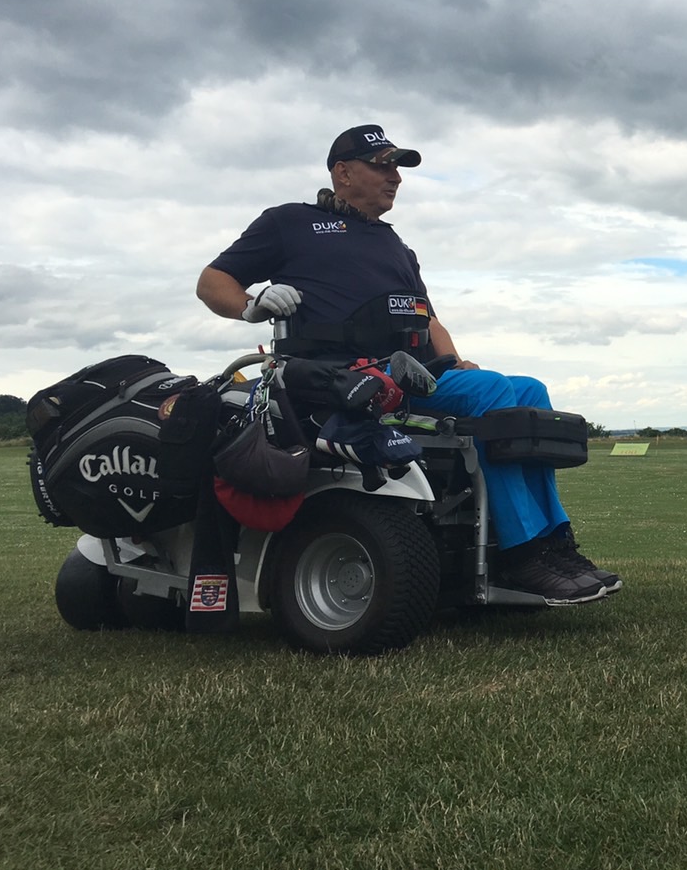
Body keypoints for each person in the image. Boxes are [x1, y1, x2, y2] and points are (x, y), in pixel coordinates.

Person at [196, 124, 619, 605]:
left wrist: (457, 362)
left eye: (397, 167)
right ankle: (522, 554)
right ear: (342, 172)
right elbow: (212, 282)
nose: (394, 176)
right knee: (496, 395)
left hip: (415, 375)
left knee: (529, 391)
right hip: (345, 381)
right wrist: (252, 304)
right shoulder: (289, 223)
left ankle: (554, 542)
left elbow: (427, 317)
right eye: (382, 165)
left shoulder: (396, 246)